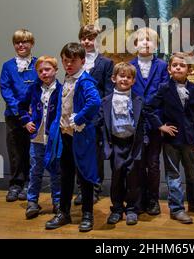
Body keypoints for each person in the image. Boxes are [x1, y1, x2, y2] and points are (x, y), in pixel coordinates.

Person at [145, 52, 194, 224]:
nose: (178, 67)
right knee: (173, 176)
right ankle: (176, 209)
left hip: (190, 139)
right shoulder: (164, 88)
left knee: (193, 174)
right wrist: (160, 125)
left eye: (182, 65)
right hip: (171, 140)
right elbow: (148, 107)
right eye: (175, 65)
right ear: (169, 69)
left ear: (189, 70)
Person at [45, 43, 101, 232]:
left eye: (73, 61)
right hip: (65, 136)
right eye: (65, 60)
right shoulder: (67, 79)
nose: (68, 64)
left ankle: (87, 214)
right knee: (66, 175)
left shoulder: (85, 81)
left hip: (81, 136)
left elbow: (95, 102)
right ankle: (64, 212)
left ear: (82, 61)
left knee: (85, 176)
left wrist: (79, 117)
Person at [98, 62, 150, 225]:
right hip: (115, 144)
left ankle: (132, 209)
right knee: (117, 177)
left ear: (133, 81)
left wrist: (145, 140)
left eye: (129, 77)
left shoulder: (138, 100)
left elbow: (144, 122)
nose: (125, 79)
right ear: (114, 78)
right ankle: (117, 208)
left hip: (133, 144)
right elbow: (101, 122)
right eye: (122, 76)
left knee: (133, 178)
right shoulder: (106, 100)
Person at [130, 27, 169, 215]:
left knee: (153, 163)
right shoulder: (129, 66)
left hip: (155, 122)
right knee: (137, 163)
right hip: (135, 123)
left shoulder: (162, 66)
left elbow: (164, 91)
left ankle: (153, 200)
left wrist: (150, 108)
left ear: (156, 44)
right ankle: (138, 200)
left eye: (150, 40)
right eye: (141, 40)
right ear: (135, 44)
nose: (146, 43)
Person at [74, 24, 113, 206]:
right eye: (84, 38)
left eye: (91, 38)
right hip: (77, 116)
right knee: (79, 153)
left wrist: (99, 115)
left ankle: (95, 188)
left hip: (96, 118)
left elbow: (107, 92)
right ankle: (81, 189)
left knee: (96, 156)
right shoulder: (75, 62)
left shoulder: (105, 63)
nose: (87, 41)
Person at [18, 56, 62, 219]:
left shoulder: (62, 89)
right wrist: (26, 121)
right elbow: (21, 107)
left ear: (55, 70)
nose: (44, 73)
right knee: (35, 170)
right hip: (37, 138)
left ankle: (57, 202)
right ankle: (32, 202)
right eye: (40, 70)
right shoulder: (33, 89)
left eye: (47, 69)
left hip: (54, 139)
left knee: (56, 171)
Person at [0, 29, 38, 202]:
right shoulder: (8, 66)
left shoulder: (38, 64)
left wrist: (32, 107)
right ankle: (16, 184)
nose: (21, 45)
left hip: (33, 116)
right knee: (15, 151)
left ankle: (30, 184)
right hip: (14, 116)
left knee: (32, 151)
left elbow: (41, 86)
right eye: (17, 42)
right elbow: (5, 90)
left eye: (25, 42)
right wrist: (20, 111)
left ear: (32, 44)